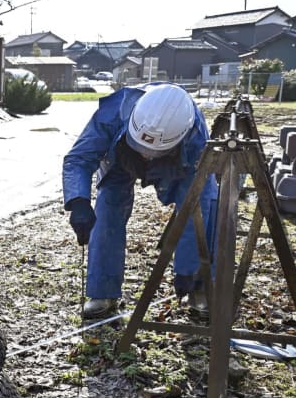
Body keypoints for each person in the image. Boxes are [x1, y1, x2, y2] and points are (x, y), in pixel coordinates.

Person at [62, 82, 218, 319]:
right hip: (121, 155)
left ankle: (199, 285)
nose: (146, 155)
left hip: (176, 162)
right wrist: (78, 201)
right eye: (142, 147)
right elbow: (78, 158)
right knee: (107, 211)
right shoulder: (112, 114)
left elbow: (195, 205)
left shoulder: (194, 136)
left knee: (204, 206)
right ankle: (102, 292)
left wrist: (188, 267)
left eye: (152, 152)